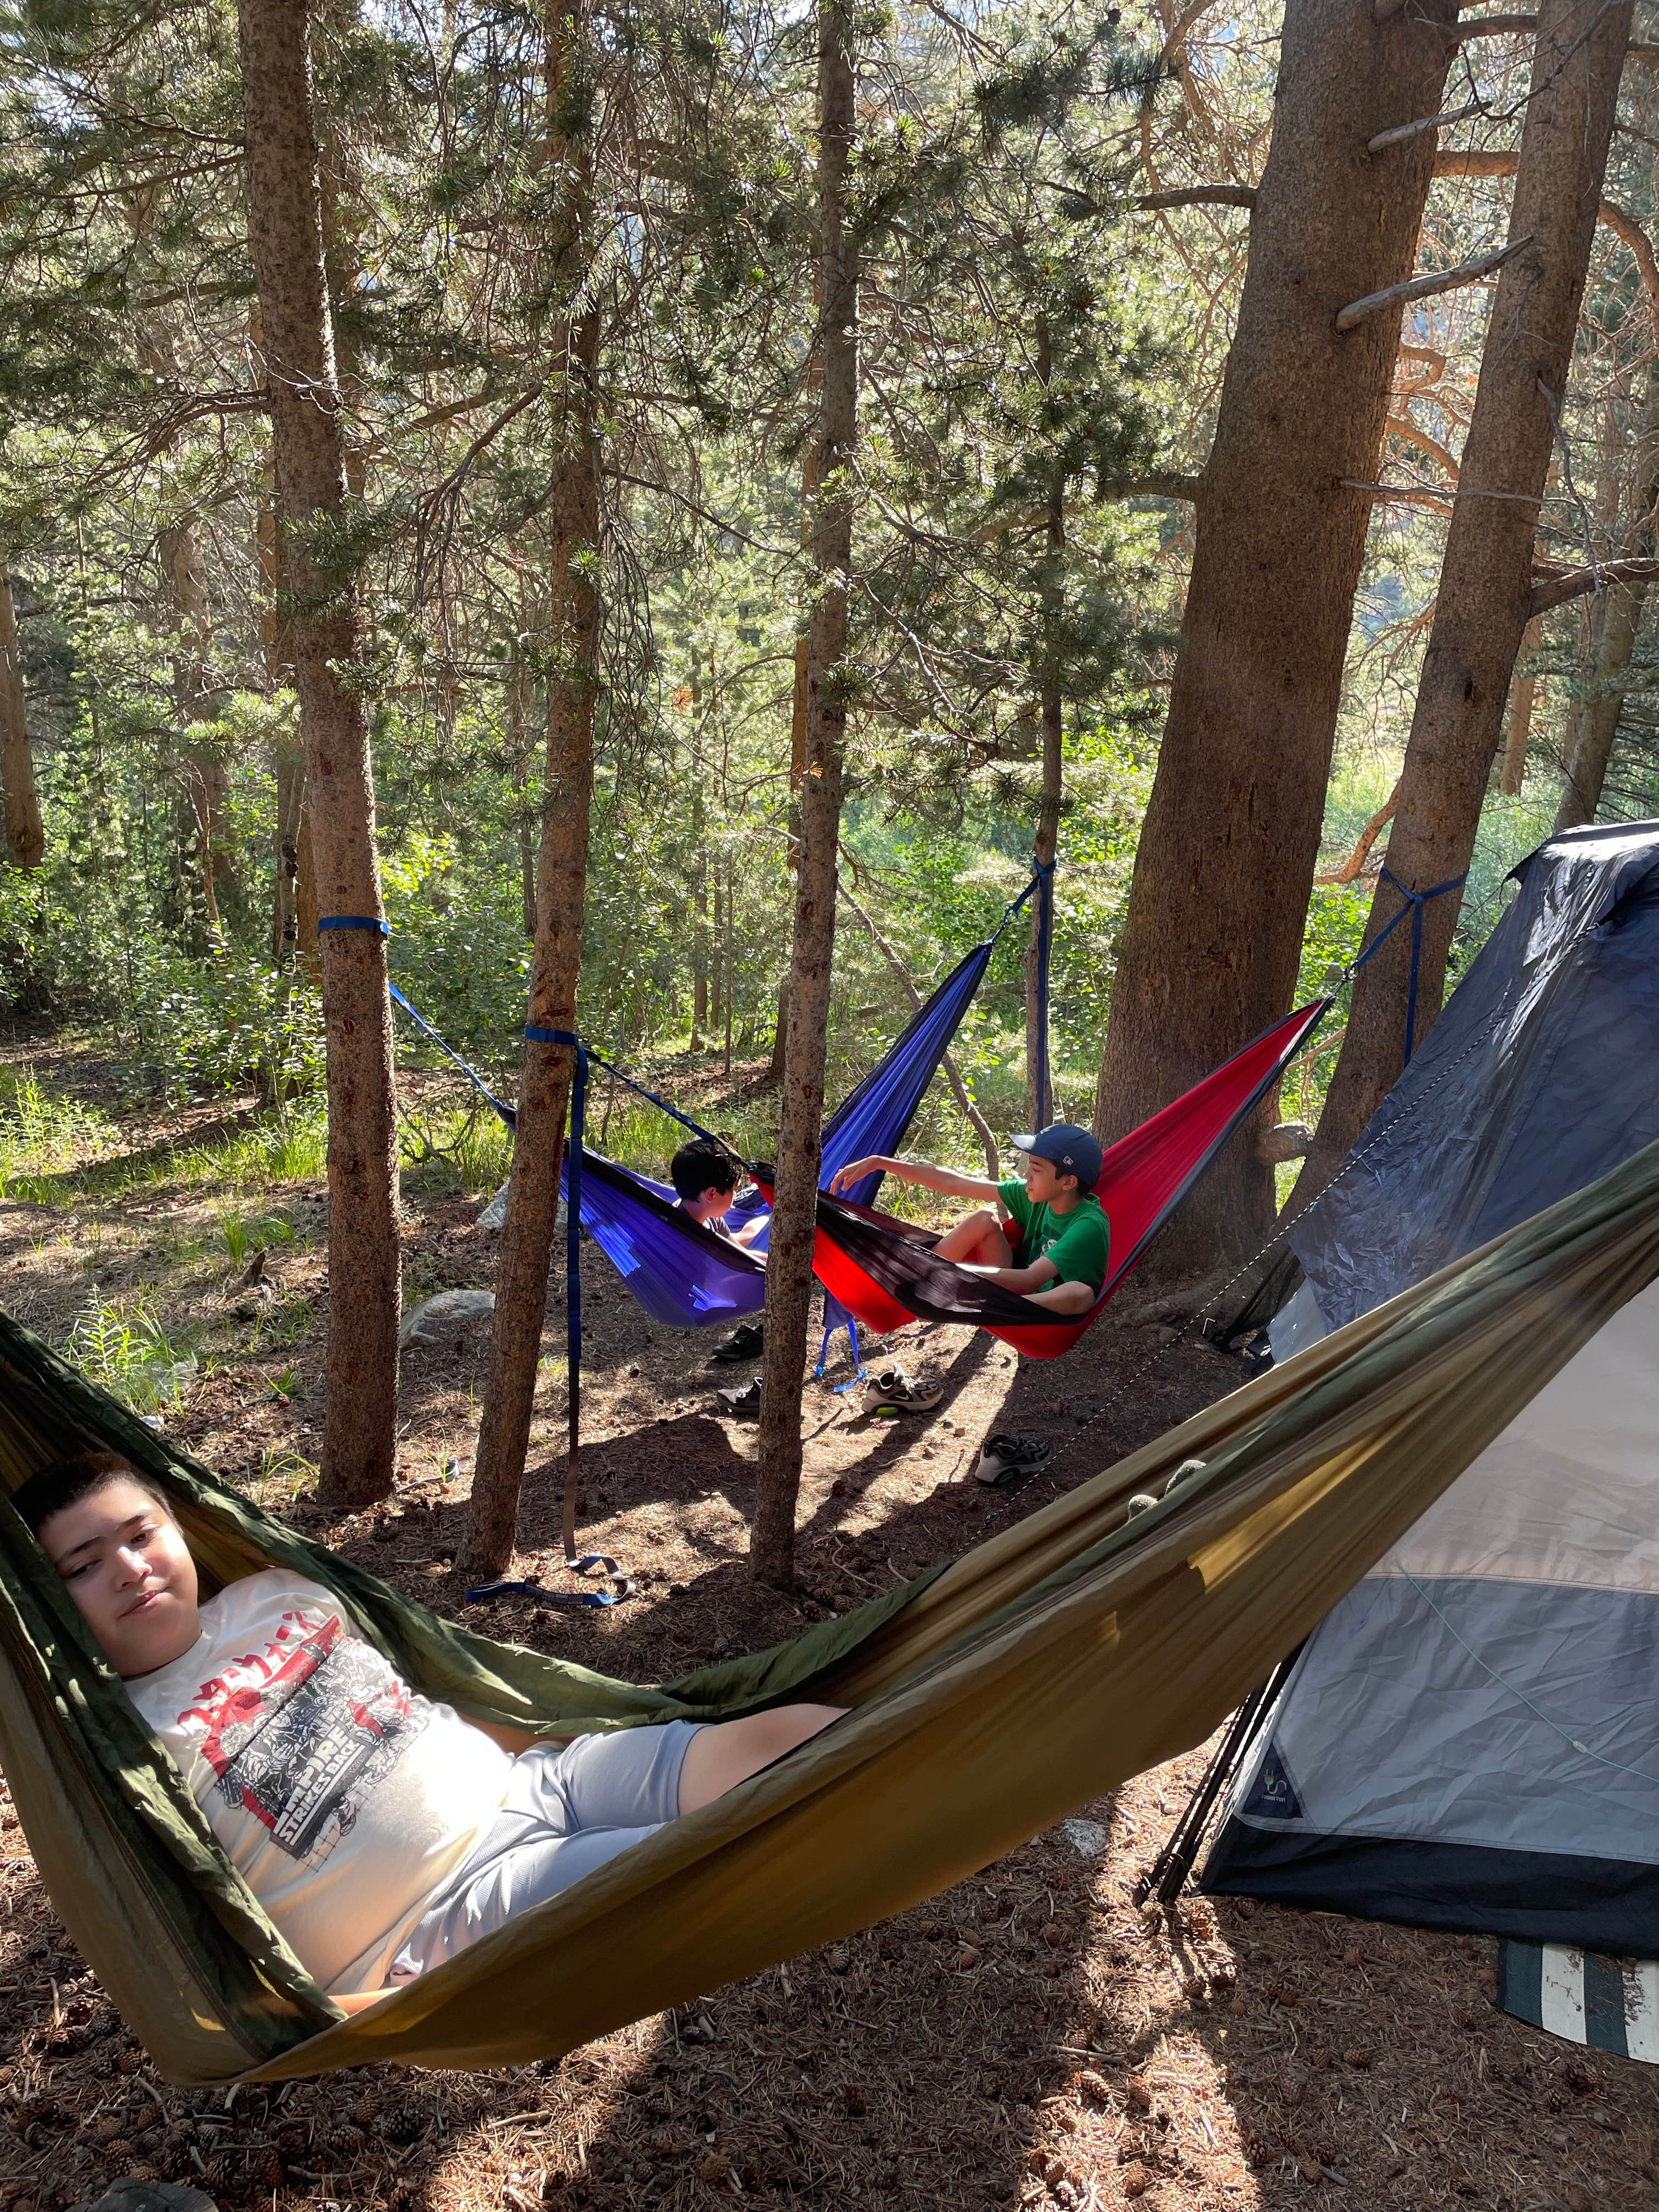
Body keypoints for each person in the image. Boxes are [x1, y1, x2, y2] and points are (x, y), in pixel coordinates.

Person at [20, 1452, 842, 2010]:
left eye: (140, 1535)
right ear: (49, 1601)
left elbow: (414, 1699)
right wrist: (346, 2016)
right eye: (84, 1566)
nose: (129, 1569)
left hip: (537, 1784)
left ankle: (926, 1767)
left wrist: (542, 1746)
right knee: (737, 1853)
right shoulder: (116, 1741)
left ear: (177, 1528)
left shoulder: (277, 1590)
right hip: (442, 1919)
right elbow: (191, 1946)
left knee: (807, 1740)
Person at [827, 1121, 1109, 1315]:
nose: (1027, 1176)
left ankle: (960, 1290)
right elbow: (953, 1184)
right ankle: (923, 1285)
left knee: (1080, 1293)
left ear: (1068, 1182)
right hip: (1011, 1291)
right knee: (984, 1218)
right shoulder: (1033, 1195)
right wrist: (880, 1163)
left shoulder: (1088, 1225)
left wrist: (954, 1272)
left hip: (1041, 1306)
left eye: (1036, 1169)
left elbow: (1030, 1279)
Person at [669, 1138, 766, 1248]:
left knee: (764, 1222)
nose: (735, 1195)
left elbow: (739, 1252)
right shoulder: (680, 1237)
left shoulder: (710, 1216)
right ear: (711, 1194)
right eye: (734, 1190)